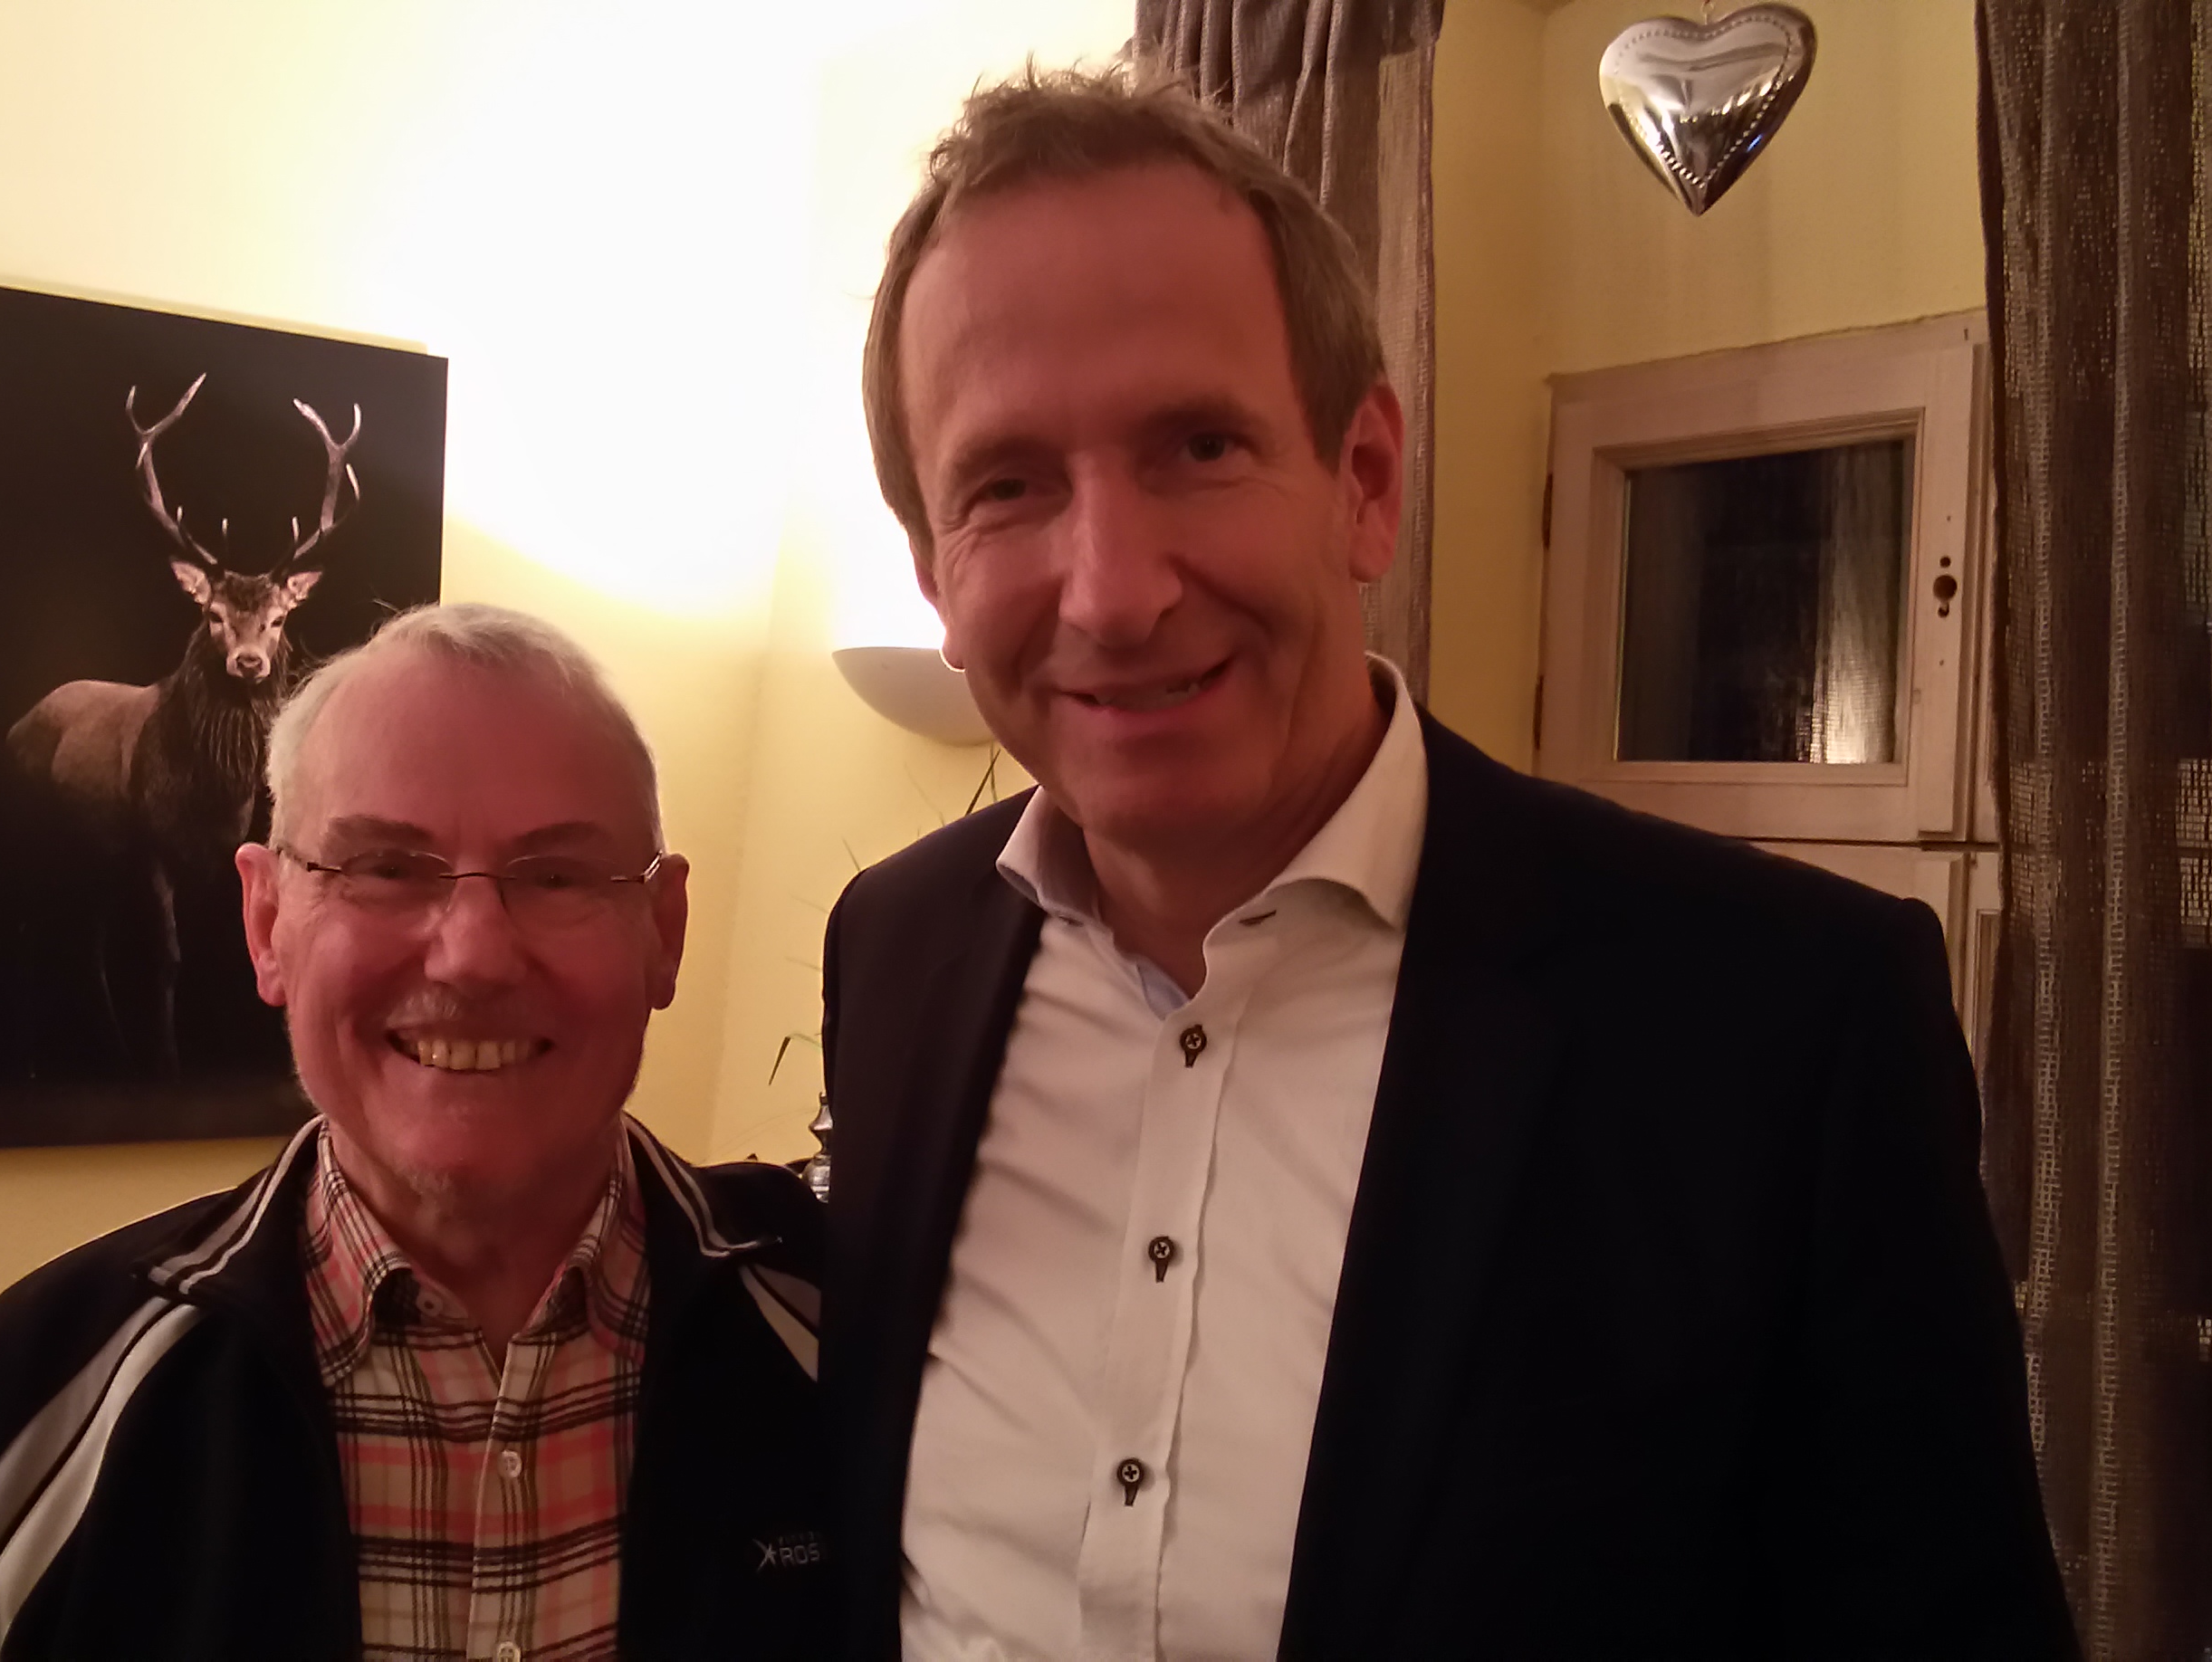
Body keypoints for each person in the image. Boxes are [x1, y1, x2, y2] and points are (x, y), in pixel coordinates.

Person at [819, 63, 2075, 1660]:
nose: (1113, 592)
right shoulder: (893, 953)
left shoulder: (1786, 1028)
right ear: (933, 569)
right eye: (1005, 486)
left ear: (1363, 481)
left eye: (1197, 445)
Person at [0, 604, 827, 1661]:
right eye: (386, 869)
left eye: (556, 876)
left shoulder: (849, 1329)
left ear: (664, 931)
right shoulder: (39, 1394)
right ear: (267, 923)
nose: (472, 957)